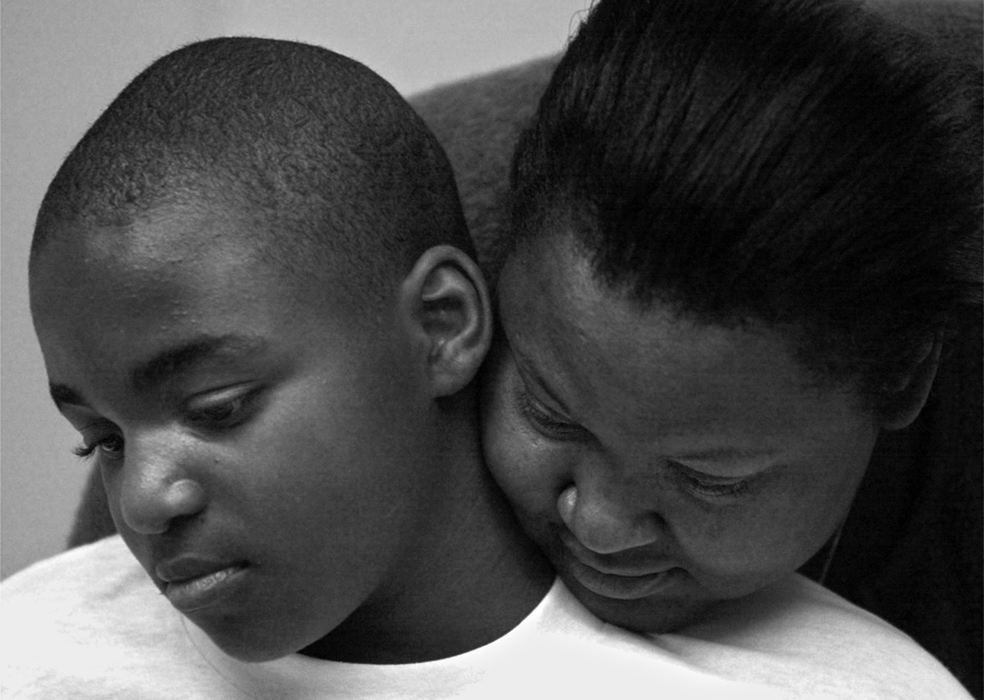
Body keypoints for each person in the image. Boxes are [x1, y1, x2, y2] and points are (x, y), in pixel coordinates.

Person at [2, 36, 790, 699]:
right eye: (100, 439)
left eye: (218, 407)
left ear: (442, 326)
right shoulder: (29, 650)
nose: (140, 503)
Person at [479, 0, 980, 693]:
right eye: (549, 412)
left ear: (904, 376)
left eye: (712, 478)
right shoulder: (363, 286)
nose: (599, 525)